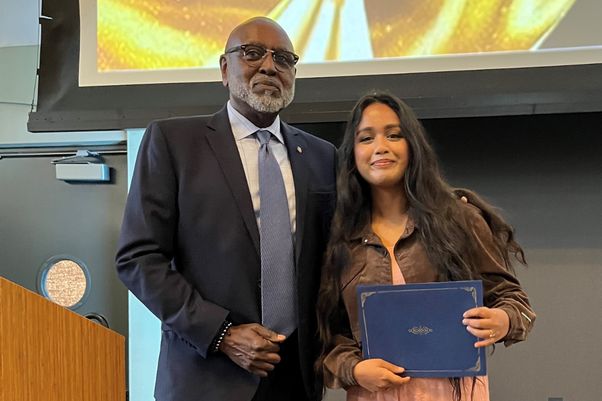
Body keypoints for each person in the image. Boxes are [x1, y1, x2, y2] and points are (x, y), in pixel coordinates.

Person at [116, 17, 336, 401]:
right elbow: (138, 258)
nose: (269, 66)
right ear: (224, 68)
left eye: (283, 59)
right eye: (252, 53)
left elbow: (338, 258)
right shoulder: (174, 143)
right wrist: (221, 334)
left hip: (296, 382)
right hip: (207, 376)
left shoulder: (321, 156)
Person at [315, 92, 536, 401]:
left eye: (394, 135)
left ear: (413, 146)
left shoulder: (459, 219)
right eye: (366, 139)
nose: (381, 147)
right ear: (352, 154)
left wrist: (503, 321)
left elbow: (515, 302)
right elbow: (328, 338)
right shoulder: (339, 239)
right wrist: (355, 369)